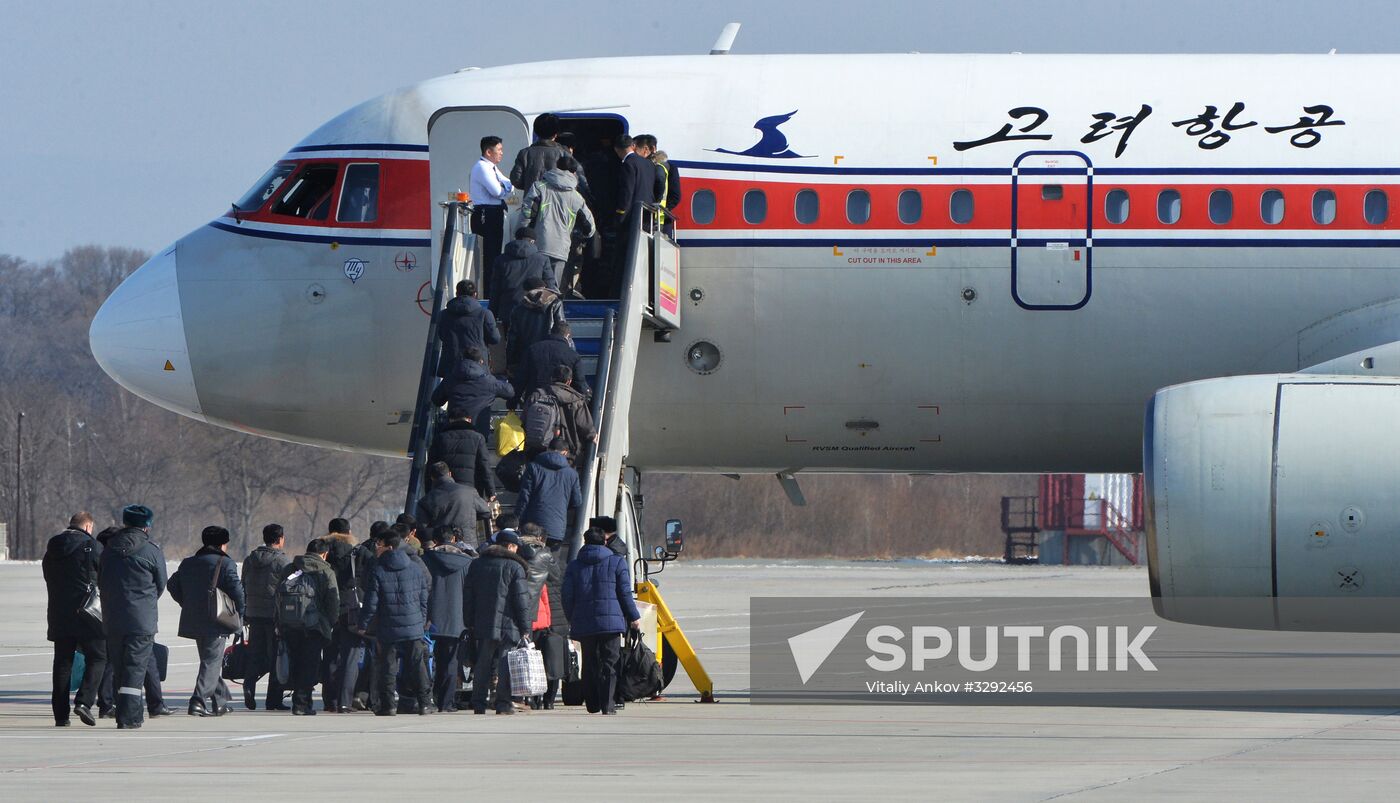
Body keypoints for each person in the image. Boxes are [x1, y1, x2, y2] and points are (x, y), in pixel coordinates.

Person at [99, 504, 168, 730]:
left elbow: (101, 581)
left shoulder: (108, 549)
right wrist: (144, 601)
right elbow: (161, 584)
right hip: (141, 620)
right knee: (135, 669)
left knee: (119, 668)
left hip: (112, 619)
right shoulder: (151, 551)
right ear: (146, 526)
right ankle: (129, 717)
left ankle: (127, 713)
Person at [563, 527, 642, 715]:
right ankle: (608, 705)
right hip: (610, 624)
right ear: (605, 542)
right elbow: (624, 593)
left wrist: (572, 617)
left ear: (585, 542)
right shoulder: (617, 562)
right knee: (610, 663)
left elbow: (566, 596)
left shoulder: (574, 565)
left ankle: (592, 704)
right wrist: (633, 616)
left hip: (584, 622)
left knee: (589, 662)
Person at [168, 525, 246, 717]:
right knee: (211, 662)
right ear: (222, 544)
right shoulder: (225, 563)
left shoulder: (188, 563)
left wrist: (186, 602)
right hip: (216, 621)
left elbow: (172, 585)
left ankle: (220, 701)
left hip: (193, 619)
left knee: (210, 661)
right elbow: (238, 593)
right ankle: (198, 701)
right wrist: (240, 615)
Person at [359, 528, 433, 716]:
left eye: (379, 545)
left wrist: (363, 624)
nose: (376, 548)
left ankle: (388, 705)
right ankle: (425, 704)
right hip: (414, 626)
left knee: (388, 667)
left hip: (388, 626)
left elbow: (371, 602)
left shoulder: (378, 570)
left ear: (389, 547)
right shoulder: (415, 567)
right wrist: (422, 620)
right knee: (418, 666)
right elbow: (424, 598)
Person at [43, 511, 106, 727]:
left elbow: (48, 576)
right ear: (88, 526)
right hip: (87, 613)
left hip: (59, 613)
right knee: (98, 657)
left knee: (63, 663)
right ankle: (84, 701)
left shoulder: (53, 547)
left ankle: (61, 715)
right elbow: (103, 574)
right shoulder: (92, 546)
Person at [462, 529, 532, 715]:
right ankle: (502, 703)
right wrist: (525, 627)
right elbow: (521, 601)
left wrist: (469, 620)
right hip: (509, 623)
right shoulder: (515, 567)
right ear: (510, 546)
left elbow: (468, 595)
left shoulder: (477, 564)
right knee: (505, 663)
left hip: (483, 621)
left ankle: (478, 702)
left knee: (482, 663)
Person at [276, 538, 340, 715]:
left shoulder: (290, 568)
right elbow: (333, 601)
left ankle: (298, 701)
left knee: (295, 662)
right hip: (314, 626)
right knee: (309, 665)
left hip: (289, 624)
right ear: (324, 554)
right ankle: (302, 704)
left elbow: (278, 597)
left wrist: (279, 621)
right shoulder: (325, 571)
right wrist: (330, 623)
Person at [523, 156, 597, 288]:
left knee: (533, 289)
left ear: (556, 167)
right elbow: (590, 228)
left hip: (537, 246)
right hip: (561, 249)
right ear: (574, 173)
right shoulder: (576, 197)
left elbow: (527, 214)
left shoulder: (539, 187)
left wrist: (523, 236)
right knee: (553, 290)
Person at [422, 525, 473, 712]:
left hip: (428, 619)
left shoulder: (425, 559)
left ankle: (426, 699)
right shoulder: (467, 562)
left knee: (424, 660)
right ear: (453, 539)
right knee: (450, 662)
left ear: (434, 541)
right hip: (456, 619)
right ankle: (446, 702)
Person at [240, 523, 291, 711]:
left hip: (253, 613)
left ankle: (248, 685)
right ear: (280, 539)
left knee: (255, 654)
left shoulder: (249, 560)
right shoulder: (282, 562)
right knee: (276, 656)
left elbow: (242, 584)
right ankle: (273, 699)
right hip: (274, 616)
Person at [518, 523, 564, 709]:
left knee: (520, 655)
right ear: (539, 537)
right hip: (538, 615)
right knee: (540, 657)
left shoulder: (512, 550)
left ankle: (523, 696)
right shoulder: (544, 555)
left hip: (514, 612)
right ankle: (539, 698)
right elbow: (556, 576)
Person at [432, 346, 514, 441]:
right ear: (481, 362)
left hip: (452, 432)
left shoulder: (451, 378)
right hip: (478, 434)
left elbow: (436, 400)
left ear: (462, 359)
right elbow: (510, 392)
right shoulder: (489, 382)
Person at [324, 519, 362, 713]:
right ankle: (345, 701)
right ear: (349, 531)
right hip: (350, 608)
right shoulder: (356, 552)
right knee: (350, 656)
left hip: (326, 609)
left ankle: (329, 700)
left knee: (329, 655)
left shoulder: (322, 552)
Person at [516, 437, 584, 544]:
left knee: (529, 553)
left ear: (548, 449)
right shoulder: (572, 474)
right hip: (556, 527)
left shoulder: (533, 468)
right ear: (565, 453)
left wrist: (517, 519)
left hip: (532, 526)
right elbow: (577, 501)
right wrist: (563, 504)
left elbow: (524, 497)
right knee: (550, 554)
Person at [469, 135, 513, 289]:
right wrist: (505, 189)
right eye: (499, 150)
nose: (501, 153)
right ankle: (488, 290)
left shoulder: (492, 168)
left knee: (495, 253)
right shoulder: (482, 167)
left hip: (495, 212)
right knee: (488, 255)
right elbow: (497, 191)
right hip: (485, 214)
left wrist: (505, 188)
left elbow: (509, 184)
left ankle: (492, 288)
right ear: (488, 152)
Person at [491, 227, 556, 330]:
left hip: (508, 311)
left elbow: (495, 290)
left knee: (510, 339)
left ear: (516, 239)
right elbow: (550, 287)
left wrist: (493, 314)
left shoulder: (500, 260)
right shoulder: (542, 259)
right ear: (532, 241)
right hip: (535, 311)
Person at [524, 366, 597, 457]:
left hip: (537, 449)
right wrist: (593, 435)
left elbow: (524, 418)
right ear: (569, 381)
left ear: (551, 378)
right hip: (566, 450)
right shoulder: (576, 400)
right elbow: (584, 425)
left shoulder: (536, 395)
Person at [428, 409, 498, 502]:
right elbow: (484, 466)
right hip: (471, 492)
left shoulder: (440, 438)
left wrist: (429, 491)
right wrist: (491, 492)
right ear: (469, 420)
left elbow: (431, 466)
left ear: (450, 420)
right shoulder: (478, 438)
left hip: (445, 491)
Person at [436, 280, 500, 378]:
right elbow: (495, 338)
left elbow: (441, 335)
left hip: (451, 366)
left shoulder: (443, 314)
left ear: (457, 294)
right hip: (477, 365)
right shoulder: (485, 314)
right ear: (475, 294)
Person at [416, 461, 492, 544]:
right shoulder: (470, 492)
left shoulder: (426, 500)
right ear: (450, 474)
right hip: (468, 543)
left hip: (443, 544)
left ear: (432, 478)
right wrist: (470, 516)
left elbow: (423, 530)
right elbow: (486, 512)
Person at [506, 277, 566, 381]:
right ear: (544, 288)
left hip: (526, 356)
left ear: (526, 291)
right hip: (550, 354)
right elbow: (562, 329)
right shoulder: (555, 303)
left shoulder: (518, 309)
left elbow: (512, 339)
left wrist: (511, 362)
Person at [519, 320, 590, 401]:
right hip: (560, 402)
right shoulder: (574, 356)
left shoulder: (533, 349)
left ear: (551, 333)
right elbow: (580, 384)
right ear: (567, 336)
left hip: (534, 400)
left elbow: (521, 379)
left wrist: (512, 404)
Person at [510, 112, 570, 191]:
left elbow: (516, 180)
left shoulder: (525, 153)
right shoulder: (564, 153)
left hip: (532, 197)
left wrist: (530, 185)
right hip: (557, 198)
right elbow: (572, 179)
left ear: (536, 131)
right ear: (556, 134)